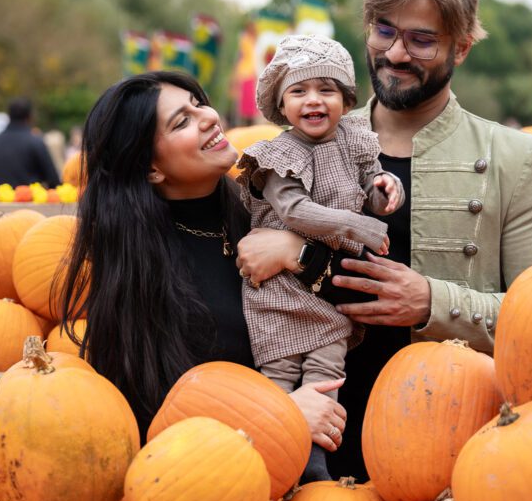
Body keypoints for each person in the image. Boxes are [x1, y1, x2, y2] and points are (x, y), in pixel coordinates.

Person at [322, 0, 532, 478]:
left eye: (421, 39)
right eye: (383, 31)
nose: (396, 53)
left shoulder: (515, 159)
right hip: (320, 435)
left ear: (461, 48)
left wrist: (432, 302)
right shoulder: (310, 146)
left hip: (457, 443)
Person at [56, 71, 348, 458]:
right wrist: (282, 415)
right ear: (151, 169)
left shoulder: (271, 204)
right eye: (182, 121)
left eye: (197, 104)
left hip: (334, 463)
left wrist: (299, 253)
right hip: (229, 480)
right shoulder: (142, 274)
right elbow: (157, 417)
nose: (208, 116)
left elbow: (361, 296)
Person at [238, 35, 403, 479]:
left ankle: (314, 469)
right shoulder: (277, 157)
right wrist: (360, 227)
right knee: (278, 376)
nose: (314, 101)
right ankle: (266, 466)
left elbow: (371, 186)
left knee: (326, 373)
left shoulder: (355, 140)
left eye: (326, 90)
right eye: (299, 91)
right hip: (279, 289)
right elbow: (295, 211)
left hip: (326, 289)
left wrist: (386, 192)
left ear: (346, 100)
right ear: (282, 103)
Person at [0, 97, 62, 187]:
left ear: (9, 116)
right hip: (29, 198)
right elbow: (53, 180)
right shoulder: (35, 142)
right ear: (30, 116)